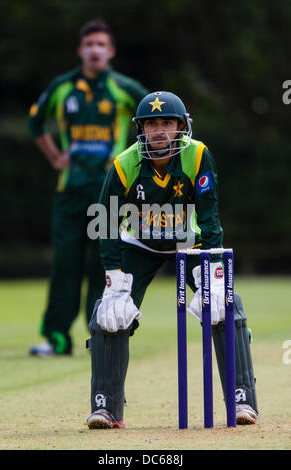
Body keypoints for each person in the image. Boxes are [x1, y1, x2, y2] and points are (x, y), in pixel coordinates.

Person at [86, 91, 258, 428]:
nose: (160, 130)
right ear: (142, 129)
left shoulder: (198, 156)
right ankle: (106, 407)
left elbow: (209, 217)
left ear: (181, 126)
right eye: (152, 123)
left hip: (188, 243)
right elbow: (106, 221)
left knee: (224, 303)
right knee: (110, 313)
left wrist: (214, 270)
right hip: (138, 244)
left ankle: (242, 399)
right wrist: (113, 276)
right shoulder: (124, 164)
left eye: (168, 122)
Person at [27, 20, 148, 356]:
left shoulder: (123, 88)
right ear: (81, 50)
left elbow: (157, 115)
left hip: (109, 195)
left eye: (101, 45)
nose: (95, 50)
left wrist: (136, 165)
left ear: (110, 52)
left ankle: (101, 335)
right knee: (64, 265)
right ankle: (57, 338)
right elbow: (35, 122)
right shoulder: (63, 87)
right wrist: (54, 156)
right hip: (71, 192)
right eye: (89, 44)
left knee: (105, 266)